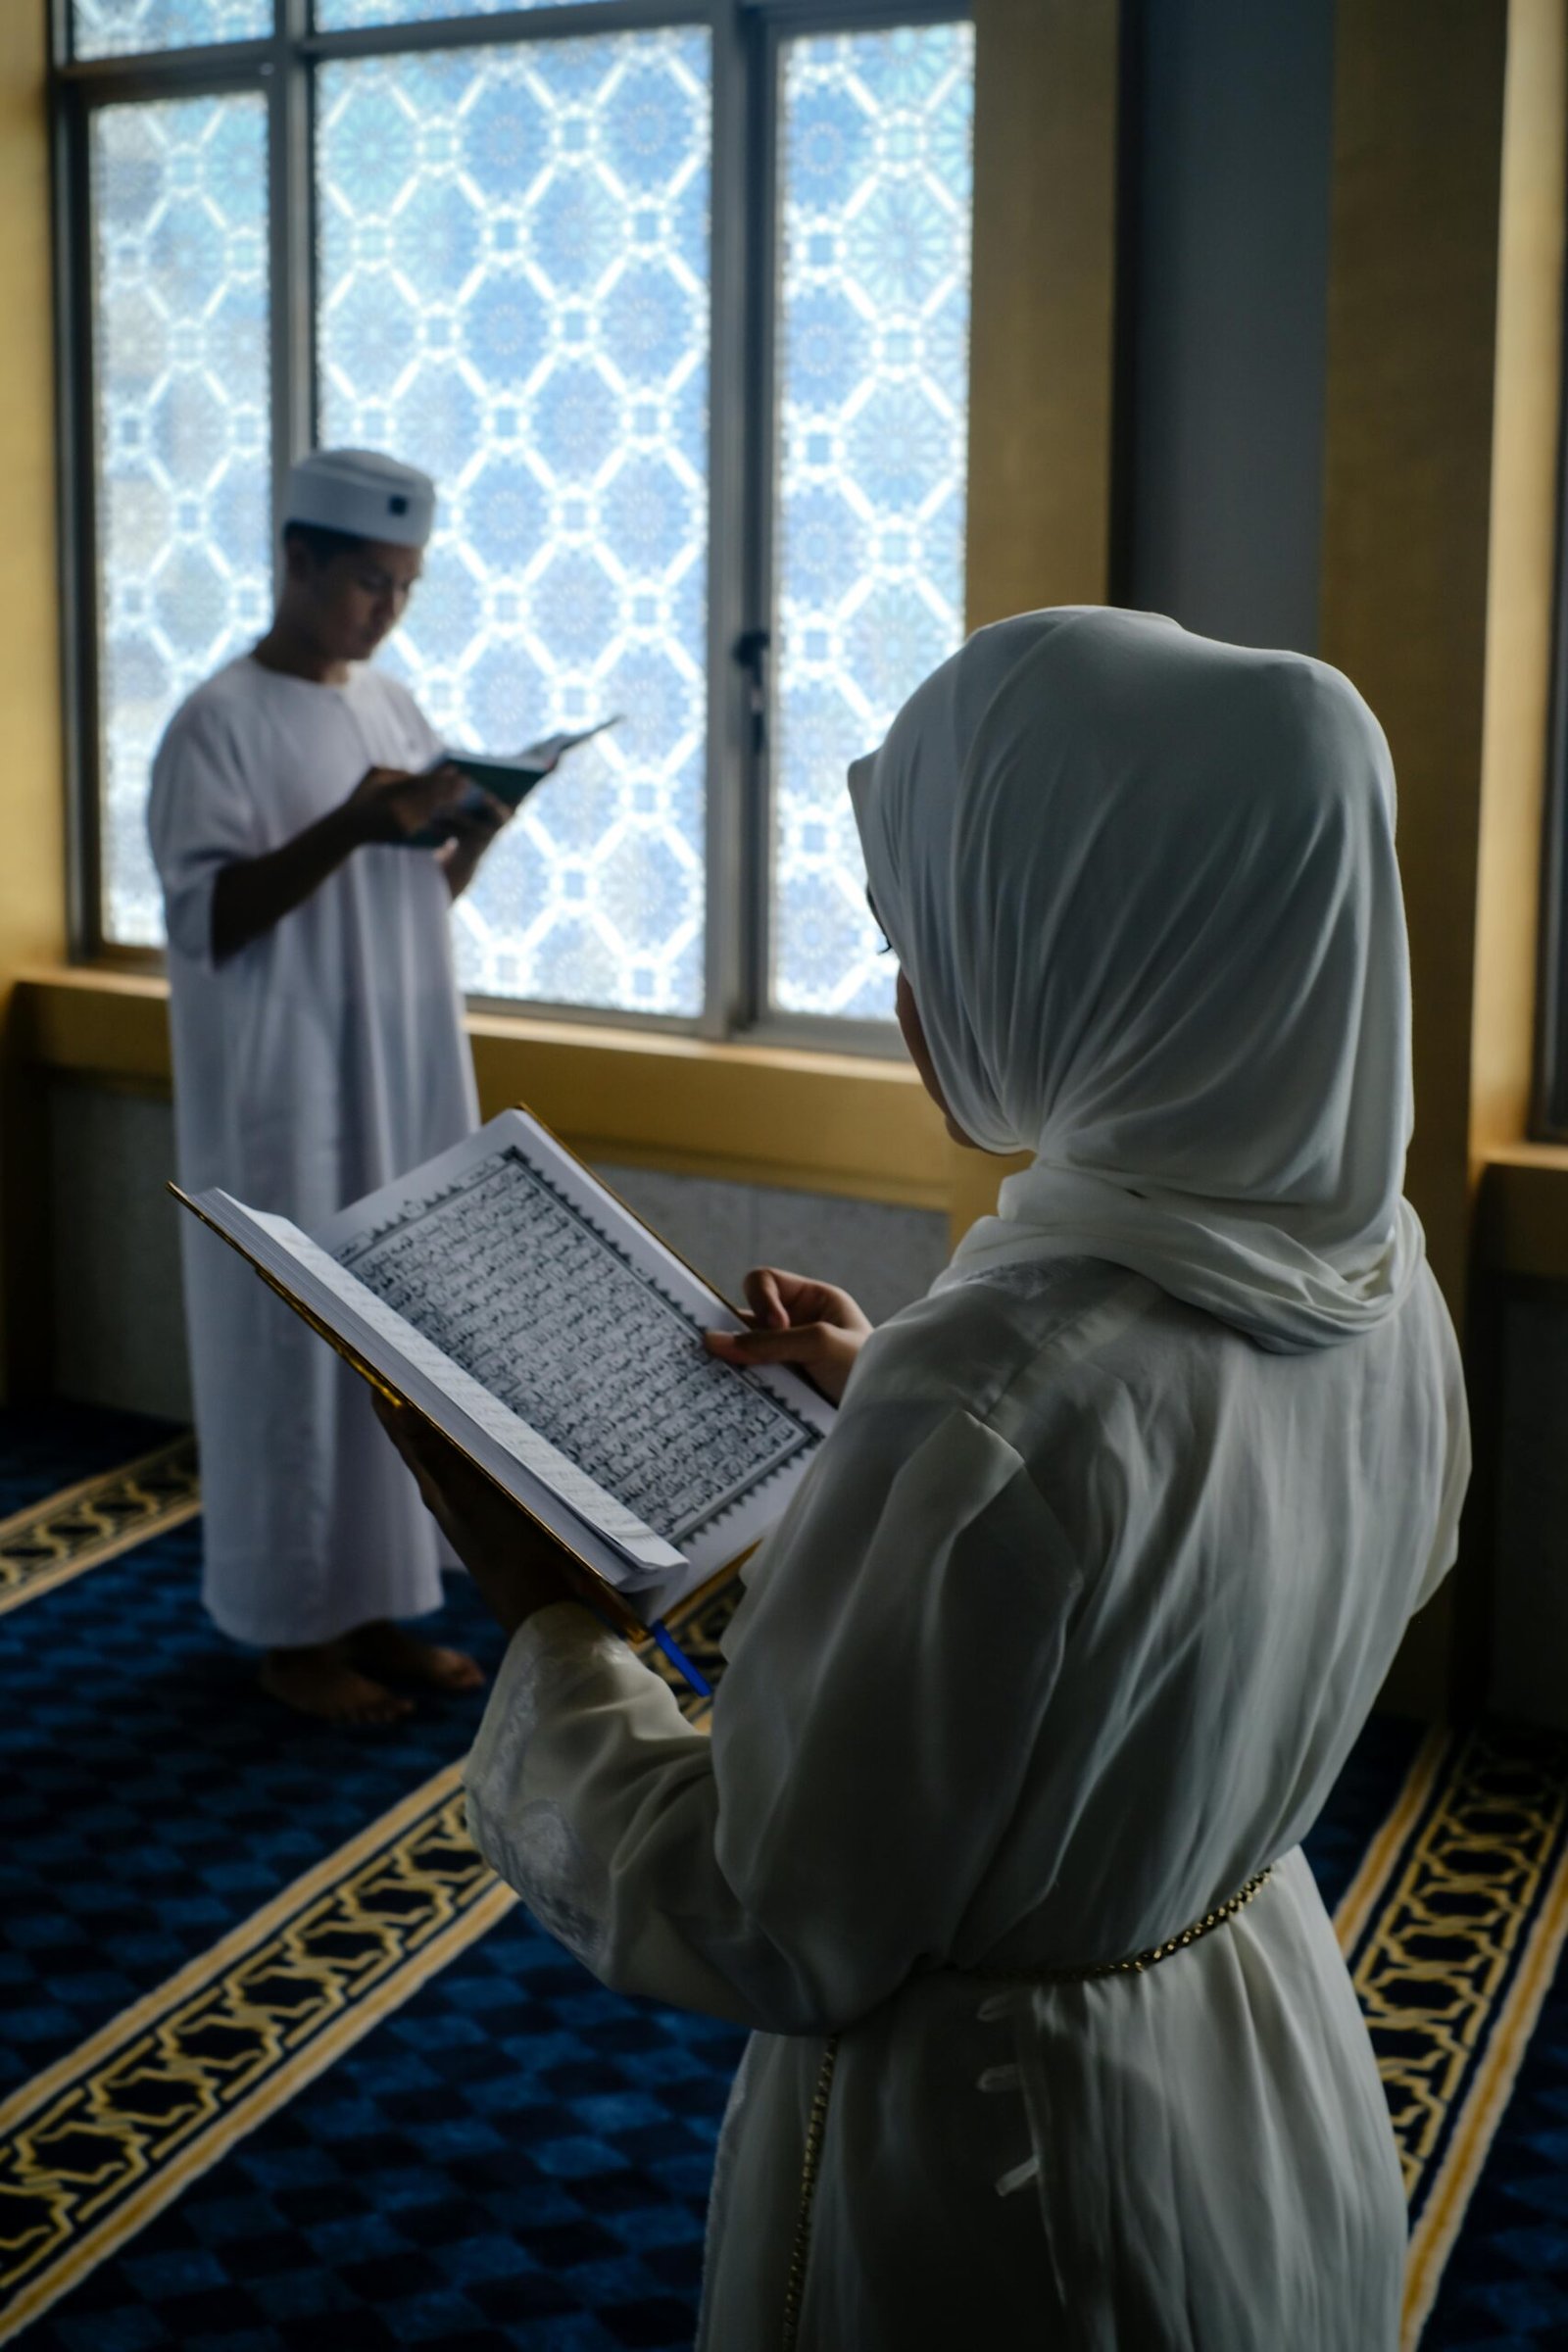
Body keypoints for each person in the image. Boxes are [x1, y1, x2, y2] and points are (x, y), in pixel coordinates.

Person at [376, 607, 1470, 2346]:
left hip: (1006, 2165)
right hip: (1254, 2052)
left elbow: (764, 1917)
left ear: (1109, 945)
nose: (909, 992)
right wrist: (881, 1385)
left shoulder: (1006, 1386)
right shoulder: (1371, 1278)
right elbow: (1211, 1539)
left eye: (940, 929)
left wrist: (550, 1628)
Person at [150, 447, 510, 1726]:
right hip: (283, 1086)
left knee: (393, 1339)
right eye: (369, 582)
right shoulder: (217, 722)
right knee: (286, 1351)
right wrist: (354, 825)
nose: (388, 610)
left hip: (394, 1069)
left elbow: (413, 901)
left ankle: (372, 1609)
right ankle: (287, 1635)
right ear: (297, 559)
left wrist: (469, 834)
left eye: (406, 587)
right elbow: (210, 914)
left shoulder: (394, 708)